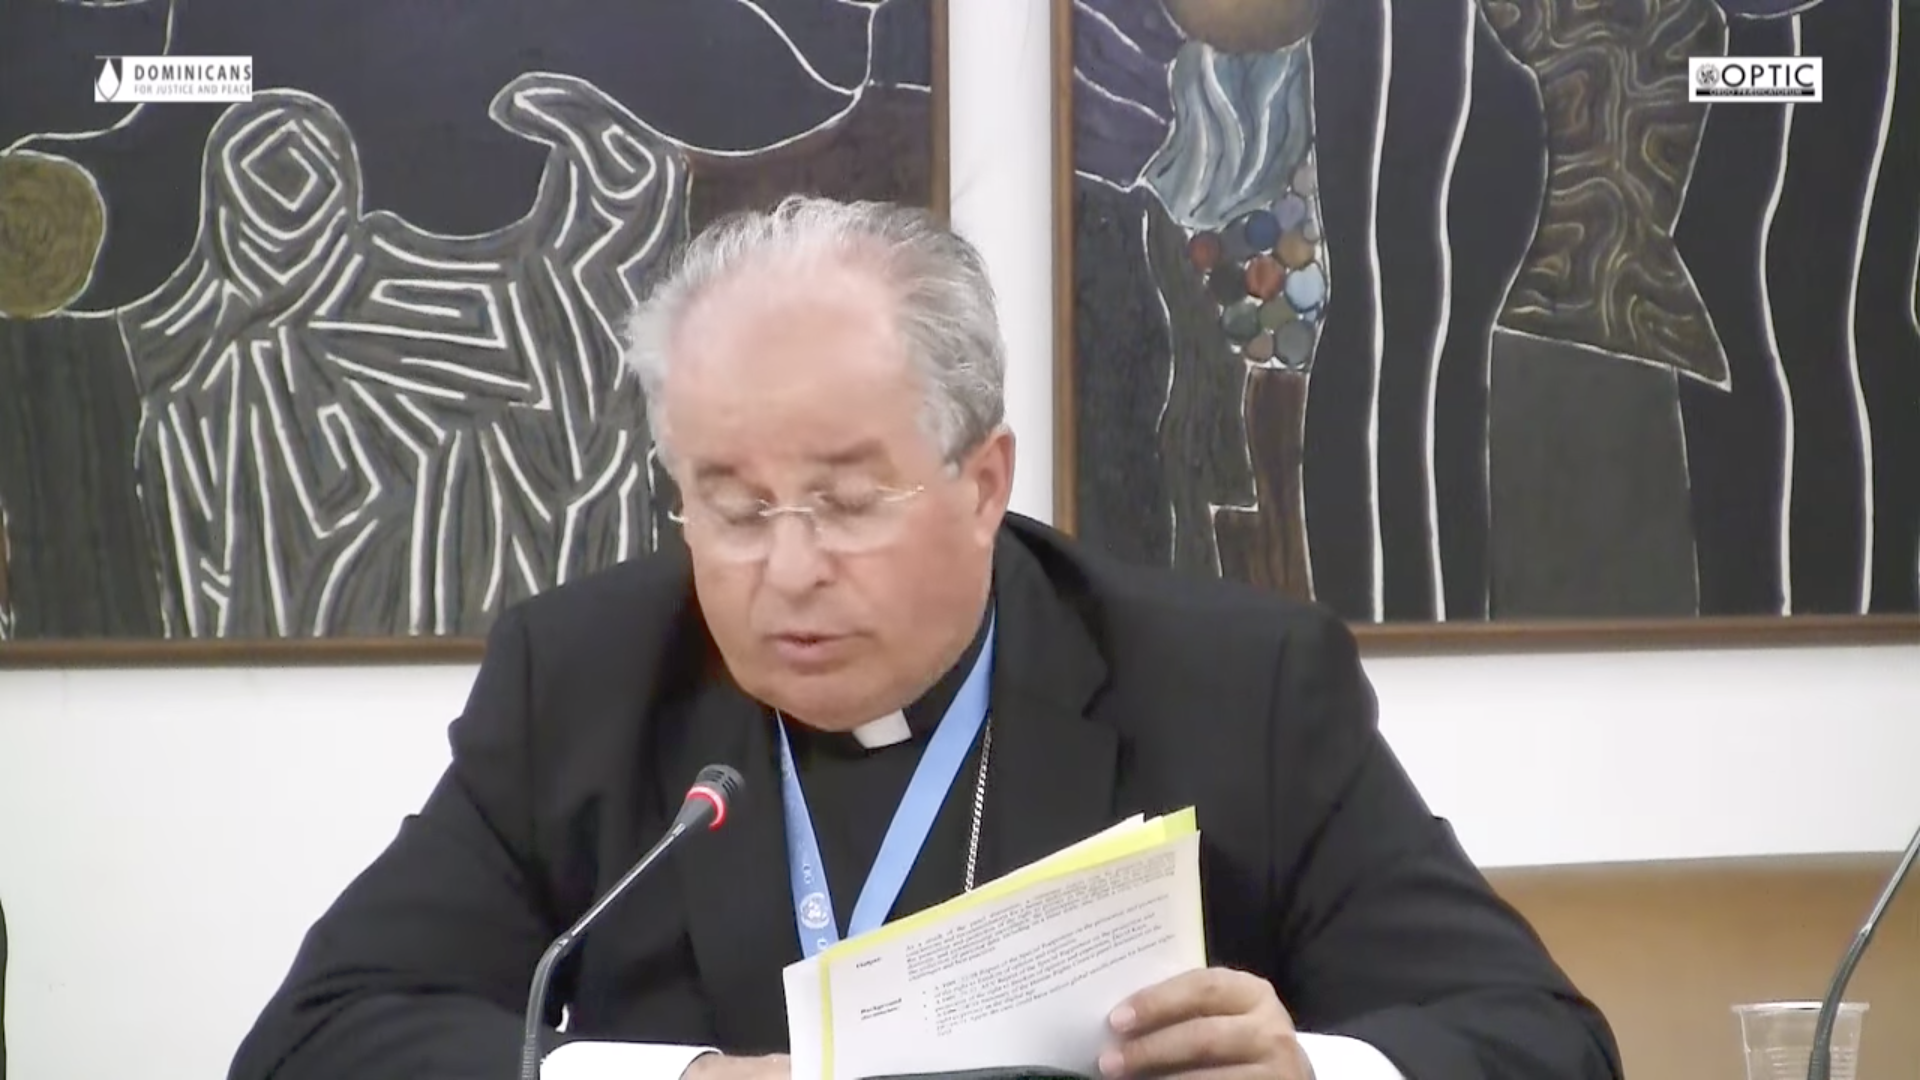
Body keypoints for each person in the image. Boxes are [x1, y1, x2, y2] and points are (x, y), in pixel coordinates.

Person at [227, 197, 1622, 1080]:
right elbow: (314, 1042)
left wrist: (1312, 1072)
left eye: (845, 502)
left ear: (982, 481)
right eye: (731, 508)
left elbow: (1540, 1041)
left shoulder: (1234, 685)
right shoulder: (580, 680)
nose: (786, 572)